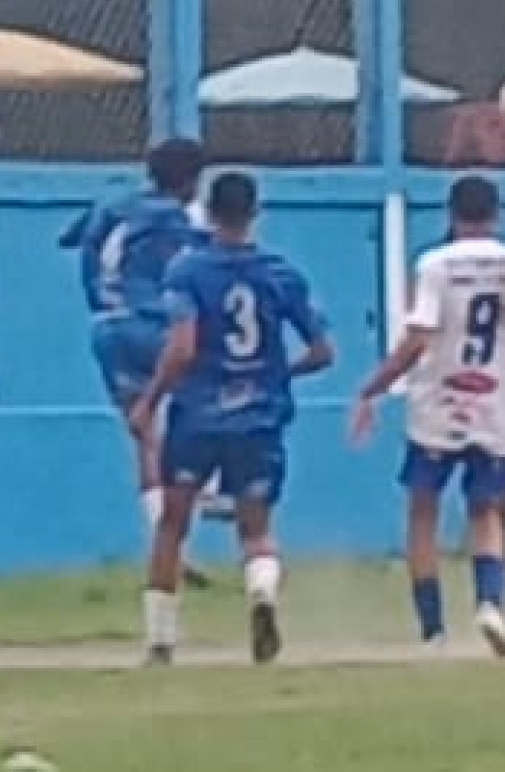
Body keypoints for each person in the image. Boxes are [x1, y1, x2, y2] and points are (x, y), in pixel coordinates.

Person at [130, 171, 334, 666]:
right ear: (255, 213)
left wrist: (150, 399)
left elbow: (182, 348)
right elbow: (323, 351)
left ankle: (161, 642)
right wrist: (275, 374)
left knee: (174, 524)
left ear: (210, 212)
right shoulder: (280, 273)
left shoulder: (187, 271)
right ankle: (261, 596)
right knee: (257, 528)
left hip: (198, 413)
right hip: (259, 416)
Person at [351, 175, 505, 658]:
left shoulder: (435, 264)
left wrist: (375, 386)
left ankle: (433, 631)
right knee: (486, 511)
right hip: (497, 403)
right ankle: (489, 604)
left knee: (423, 510)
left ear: (452, 215)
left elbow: (419, 337)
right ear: (497, 214)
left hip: (439, 400)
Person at [62, 137, 214, 586]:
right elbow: (215, 245)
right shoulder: (174, 217)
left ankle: (162, 539)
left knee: (144, 432)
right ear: (189, 181)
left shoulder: (115, 206)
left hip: (107, 326)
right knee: (211, 407)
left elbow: (71, 236)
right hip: (155, 326)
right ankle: (206, 505)